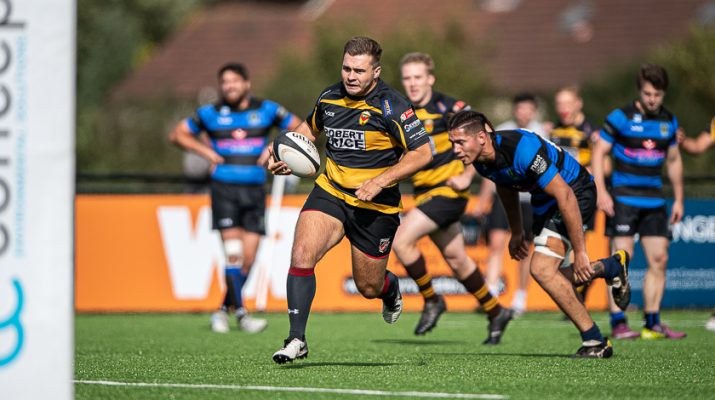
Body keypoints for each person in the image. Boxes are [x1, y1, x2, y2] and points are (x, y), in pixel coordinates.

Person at [267, 37, 434, 364]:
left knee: (368, 286)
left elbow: (423, 152)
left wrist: (380, 181)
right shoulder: (329, 97)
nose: (351, 76)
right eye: (346, 68)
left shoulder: (392, 106)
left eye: (359, 70)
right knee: (301, 255)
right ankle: (296, 338)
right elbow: (307, 131)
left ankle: (389, 288)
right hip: (331, 192)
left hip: (376, 206)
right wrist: (285, 155)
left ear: (376, 72)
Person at [448, 110, 632, 358]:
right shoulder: (481, 160)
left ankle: (595, 341)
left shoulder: (521, 148)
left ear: (481, 137)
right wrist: (516, 231)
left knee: (542, 269)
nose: (455, 149)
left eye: (460, 142)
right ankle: (610, 268)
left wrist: (581, 252)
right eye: (452, 143)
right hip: (546, 201)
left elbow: (565, 195)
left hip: (576, 191)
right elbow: (505, 187)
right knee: (551, 275)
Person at [169, 62, 301, 333]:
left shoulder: (266, 109)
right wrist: (207, 153)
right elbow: (178, 134)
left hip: (254, 190)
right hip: (224, 189)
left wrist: (273, 147)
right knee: (233, 254)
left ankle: (221, 311)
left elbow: (300, 126)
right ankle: (242, 314)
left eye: (235, 81)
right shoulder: (210, 113)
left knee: (248, 259)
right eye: (225, 82)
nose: (229, 86)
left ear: (246, 83)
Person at [391, 52, 513, 340]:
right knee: (457, 259)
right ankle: (496, 311)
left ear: (430, 79)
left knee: (401, 241)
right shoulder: (401, 111)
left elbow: (486, 137)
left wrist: (468, 175)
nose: (413, 83)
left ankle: (432, 299)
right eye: (407, 78)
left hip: (449, 192)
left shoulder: (451, 108)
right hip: (423, 195)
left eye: (418, 77)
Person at [591, 63, 686, 340]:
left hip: (654, 200)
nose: (652, 99)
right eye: (647, 94)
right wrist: (601, 191)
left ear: (664, 94)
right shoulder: (620, 117)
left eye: (657, 94)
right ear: (639, 92)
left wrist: (679, 199)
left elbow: (674, 160)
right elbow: (599, 152)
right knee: (621, 261)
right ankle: (619, 322)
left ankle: (652, 323)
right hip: (623, 199)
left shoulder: (669, 121)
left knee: (660, 259)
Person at [477, 93, 549, 315]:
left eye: (528, 109)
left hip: (529, 200)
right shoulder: (501, 130)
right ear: (515, 110)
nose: (524, 113)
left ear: (534, 111)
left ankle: (520, 298)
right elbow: (490, 170)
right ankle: (490, 294)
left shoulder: (542, 133)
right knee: (496, 243)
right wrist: (482, 200)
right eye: (520, 108)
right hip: (504, 196)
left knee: (524, 249)